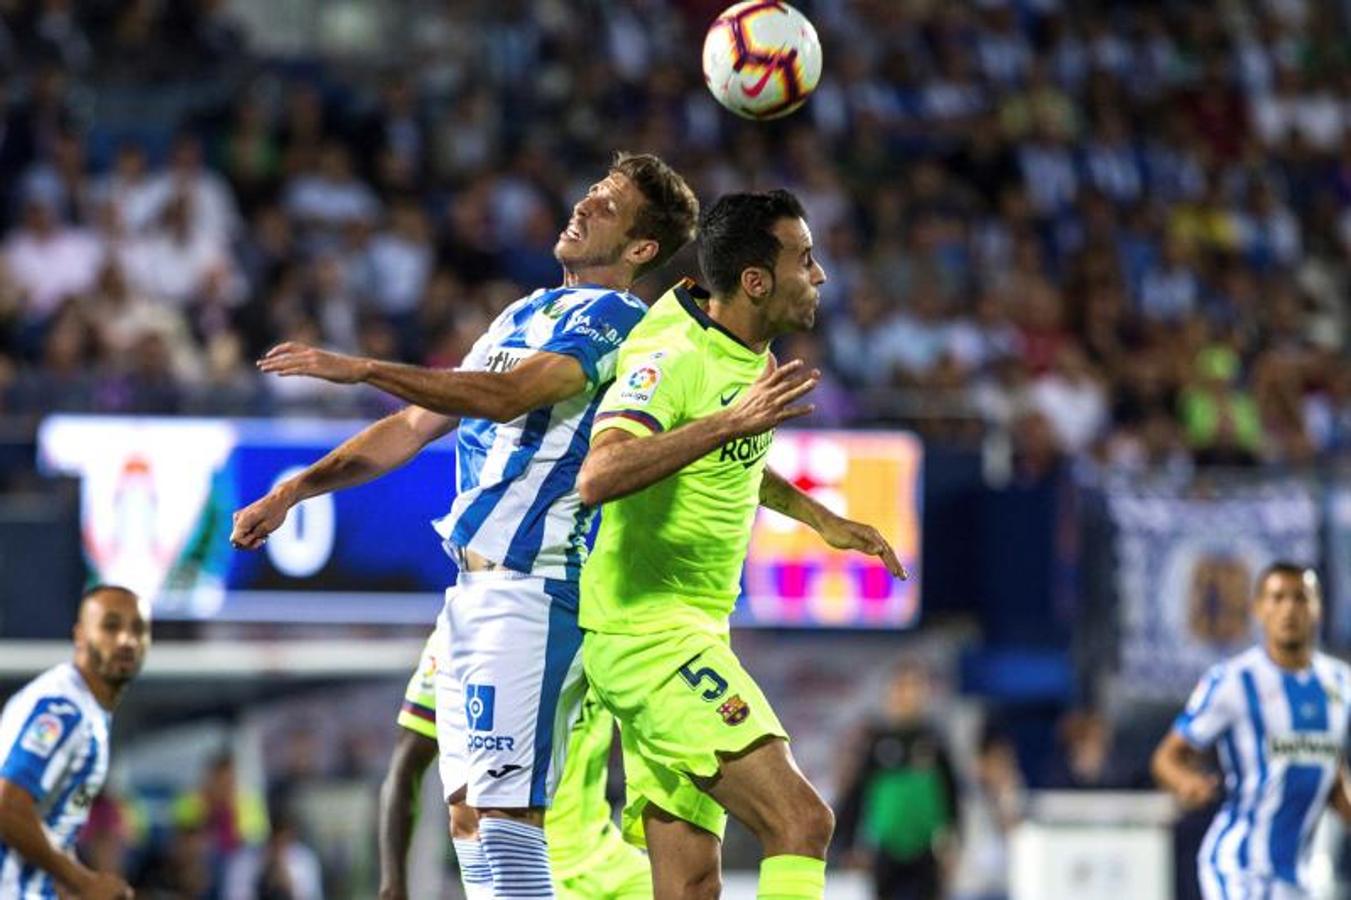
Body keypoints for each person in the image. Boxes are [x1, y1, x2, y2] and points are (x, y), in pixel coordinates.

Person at [232, 151, 698, 898]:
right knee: (469, 819)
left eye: (607, 205)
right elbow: (414, 426)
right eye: (590, 190)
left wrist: (364, 368)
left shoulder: (620, 322)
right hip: (472, 592)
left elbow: (511, 395)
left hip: (535, 589)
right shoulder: (523, 312)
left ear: (642, 250)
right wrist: (297, 489)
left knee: (507, 819)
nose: (582, 205)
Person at [574, 189, 908, 900]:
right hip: (647, 639)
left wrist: (819, 520)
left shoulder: (744, 346)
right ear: (755, 281)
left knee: (690, 885)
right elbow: (598, 475)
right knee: (802, 821)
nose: (818, 276)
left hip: (691, 630)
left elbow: (733, 449)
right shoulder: (672, 357)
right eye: (805, 260)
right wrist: (728, 422)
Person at [377, 614, 651, 899]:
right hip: (527, 865)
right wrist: (392, 887)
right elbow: (406, 768)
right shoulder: (458, 640)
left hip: (605, 858)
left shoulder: (590, 623)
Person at [1151, 562, 1351, 900]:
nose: (1289, 608)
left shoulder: (1339, 684)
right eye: (1277, 598)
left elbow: (1326, 770)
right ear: (1258, 609)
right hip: (1238, 866)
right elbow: (1166, 757)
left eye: (1300, 598)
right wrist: (1187, 782)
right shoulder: (1233, 682)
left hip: (1298, 875)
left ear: (1318, 608)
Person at [0, 585, 149, 899]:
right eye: (111, 626)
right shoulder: (63, 711)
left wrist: (72, 883)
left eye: (138, 628)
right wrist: (83, 881)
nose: (126, 639)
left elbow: (45, 826)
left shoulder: (86, 709)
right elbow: (6, 806)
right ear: (80, 635)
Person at [835, 663, 962, 900]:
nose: (909, 695)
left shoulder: (934, 741)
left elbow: (951, 794)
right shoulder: (877, 742)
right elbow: (857, 794)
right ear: (890, 693)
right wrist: (848, 843)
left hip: (926, 849)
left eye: (915, 687)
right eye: (902, 688)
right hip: (886, 848)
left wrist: (954, 841)